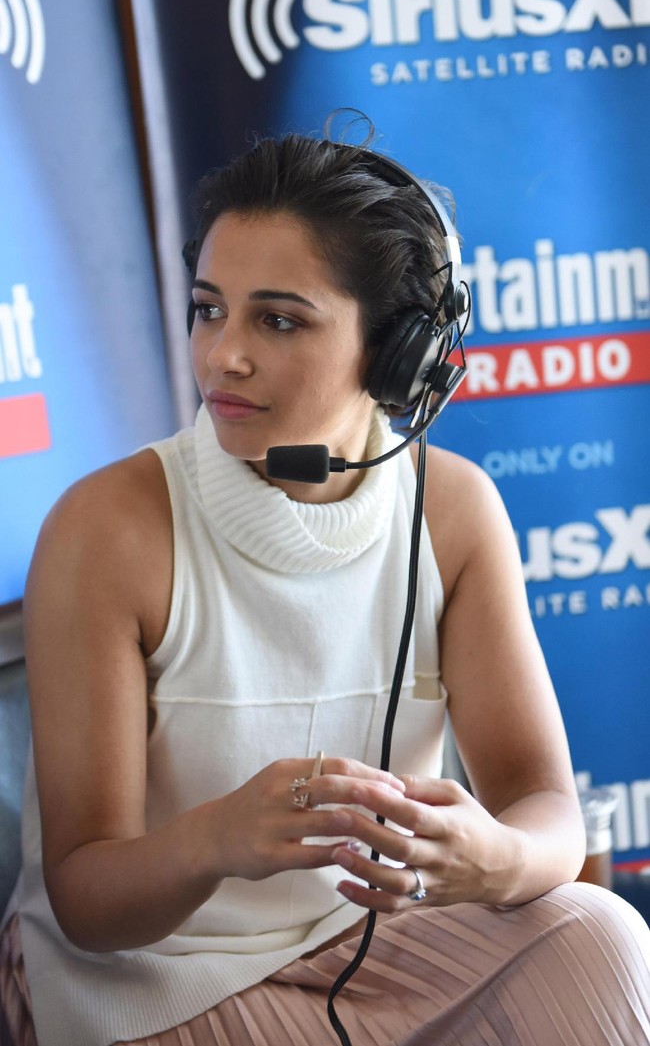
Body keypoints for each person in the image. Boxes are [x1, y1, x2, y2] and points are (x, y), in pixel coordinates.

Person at [1, 129, 649, 1046]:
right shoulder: (108, 529)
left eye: (277, 319)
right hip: (156, 979)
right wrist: (219, 837)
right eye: (207, 308)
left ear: (398, 353)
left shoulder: (453, 510)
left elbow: (544, 809)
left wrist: (489, 857)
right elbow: (86, 902)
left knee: (604, 935)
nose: (223, 354)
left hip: (379, 946)